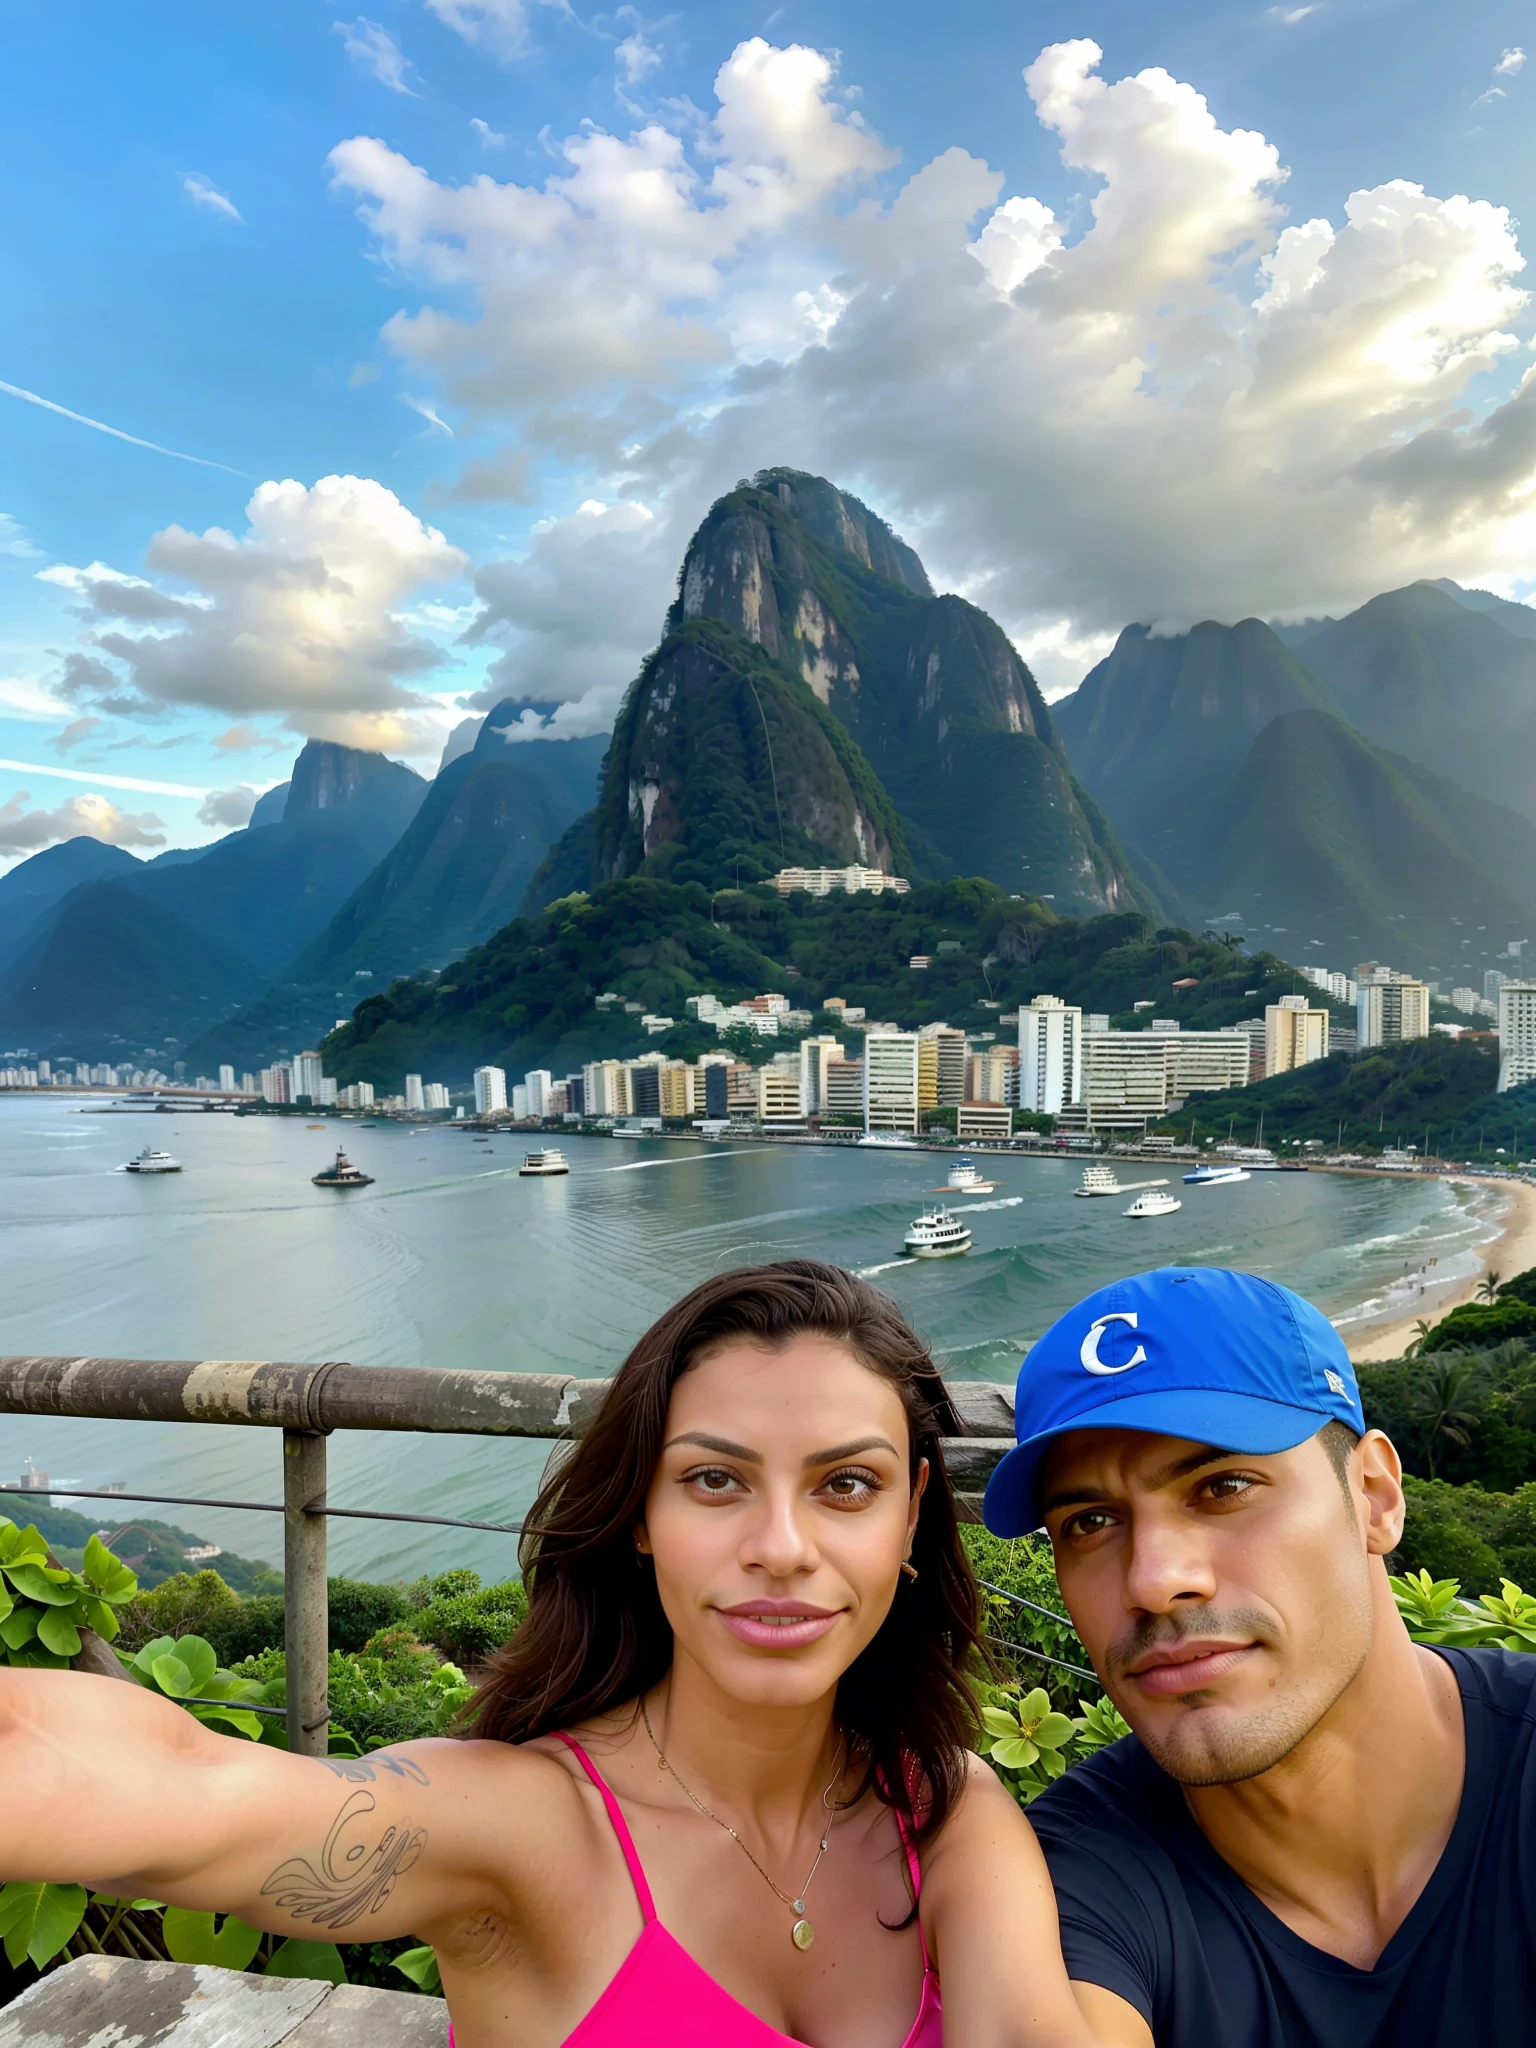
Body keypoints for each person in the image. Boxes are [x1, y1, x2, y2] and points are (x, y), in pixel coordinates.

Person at [1, 1260, 1092, 2048]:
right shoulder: (525, 1826)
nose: (781, 1547)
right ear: (638, 1518)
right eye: (715, 1478)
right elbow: (178, 1788)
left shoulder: (944, 1809)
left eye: (846, 1484)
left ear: (910, 1523)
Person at [982, 1264, 1536, 2048]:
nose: (1153, 1581)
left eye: (1223, 1486)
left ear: (1375, 1496)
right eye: (1091, 1522)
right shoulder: (1078, 1878)